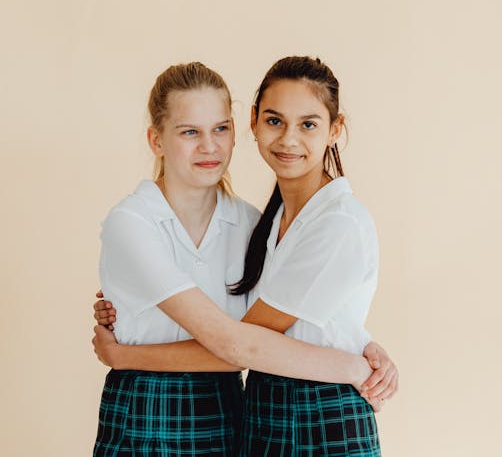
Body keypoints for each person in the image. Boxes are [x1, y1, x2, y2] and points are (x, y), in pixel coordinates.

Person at [91, 61, 396, 456]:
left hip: (236, 409)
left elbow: (247, 343)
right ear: (156, 140)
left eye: (220, 129)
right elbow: (258, 338)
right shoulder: (137, 223)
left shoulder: (255, 223)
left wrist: (360, 352)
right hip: (159, 409)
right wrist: (352, 359)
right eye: (190, 132)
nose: (209, 146)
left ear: (334, 130)